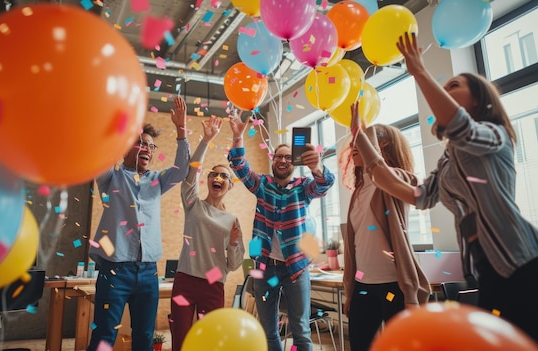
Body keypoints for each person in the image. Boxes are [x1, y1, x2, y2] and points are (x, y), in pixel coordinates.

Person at [350, 31, 538, 350]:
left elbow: (460, 125)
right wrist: (359, 136)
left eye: (454, 86)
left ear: (480, 99)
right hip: (486, 268)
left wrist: (418, 70)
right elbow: (416, 195)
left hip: (523, 261)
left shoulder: (494, 135)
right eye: (444, 86)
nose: (445, 91)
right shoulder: (448, 161)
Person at [87, 96, 190, 351]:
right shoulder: (111, 176)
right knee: (103, 336)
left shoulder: (158, 180)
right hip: (114, 271)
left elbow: (181, 169)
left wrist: (181, 130)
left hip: (148, 272)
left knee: (144, 337)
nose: (146, 149)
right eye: (141, 143)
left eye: (151, 146)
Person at [227, 114, 336, 351]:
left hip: (296, 268)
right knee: (268, 331)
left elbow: (325, 183)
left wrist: (316, 166)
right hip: (265, 268)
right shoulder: (262, 185)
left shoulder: (303, 188)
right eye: (278, 156)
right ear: (273, 160)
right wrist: (238, 137)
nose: (283, 160)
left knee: (301, 330)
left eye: (288, 156)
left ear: (293, 162)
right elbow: (240, 166)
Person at [342, 107, 431, 351]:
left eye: (368, 139)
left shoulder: (399, 180)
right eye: (354, 141)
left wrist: (360, 131)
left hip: (395, 286)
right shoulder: (358, 192)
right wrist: (350, 290)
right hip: (363, 286)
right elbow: (354, 247)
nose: (355, 144)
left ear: (386, 148)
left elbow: (387, 174)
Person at [169, 115, 245, 351]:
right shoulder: (194, 205)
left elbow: (234, 265)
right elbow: (190, 176)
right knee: (180, 339)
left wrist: (233, 244)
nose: (218, 178)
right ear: (208, 180)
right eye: (214, 174)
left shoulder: (232, 221)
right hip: (184, 280)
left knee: (210, 343)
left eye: (224, 176)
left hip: (213, 286)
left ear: (230, 186)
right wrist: (206, 140)